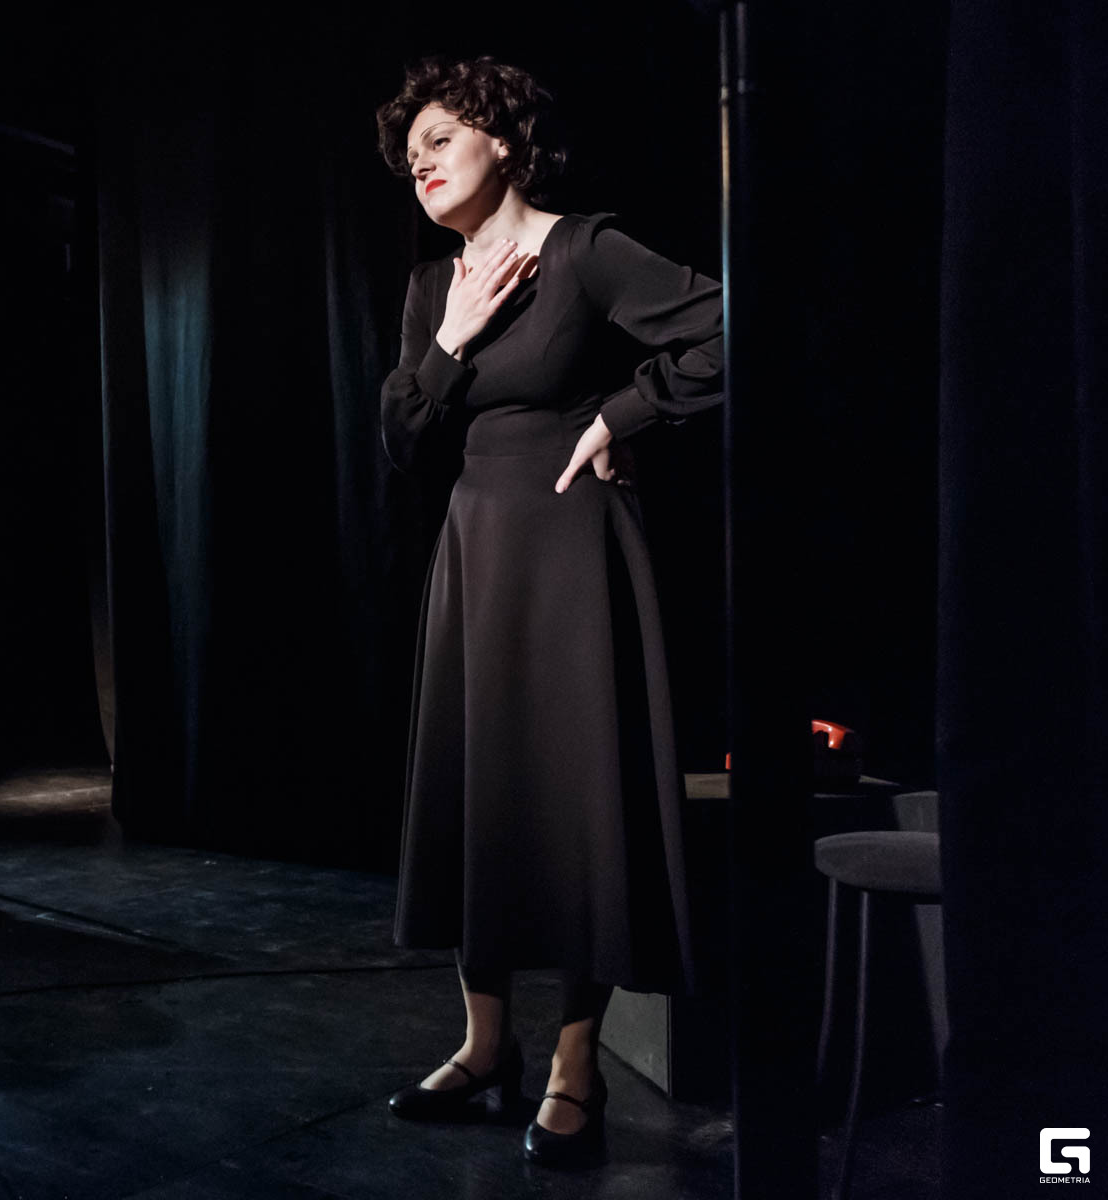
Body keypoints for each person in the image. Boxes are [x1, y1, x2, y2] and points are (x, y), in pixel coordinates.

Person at [374, 56, 722, 1166]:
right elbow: (402, 438)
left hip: (574, 542)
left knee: (579, 801)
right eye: (409, 153)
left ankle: (576, 1067)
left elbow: (724, 328)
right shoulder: (432, 285)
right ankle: (485, 1048)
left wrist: (625, 414)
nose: (420, 162)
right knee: (477, 788)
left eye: (440, 137)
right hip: (476, 545)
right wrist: (451, 339)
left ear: (506, 139)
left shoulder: (584, 251)